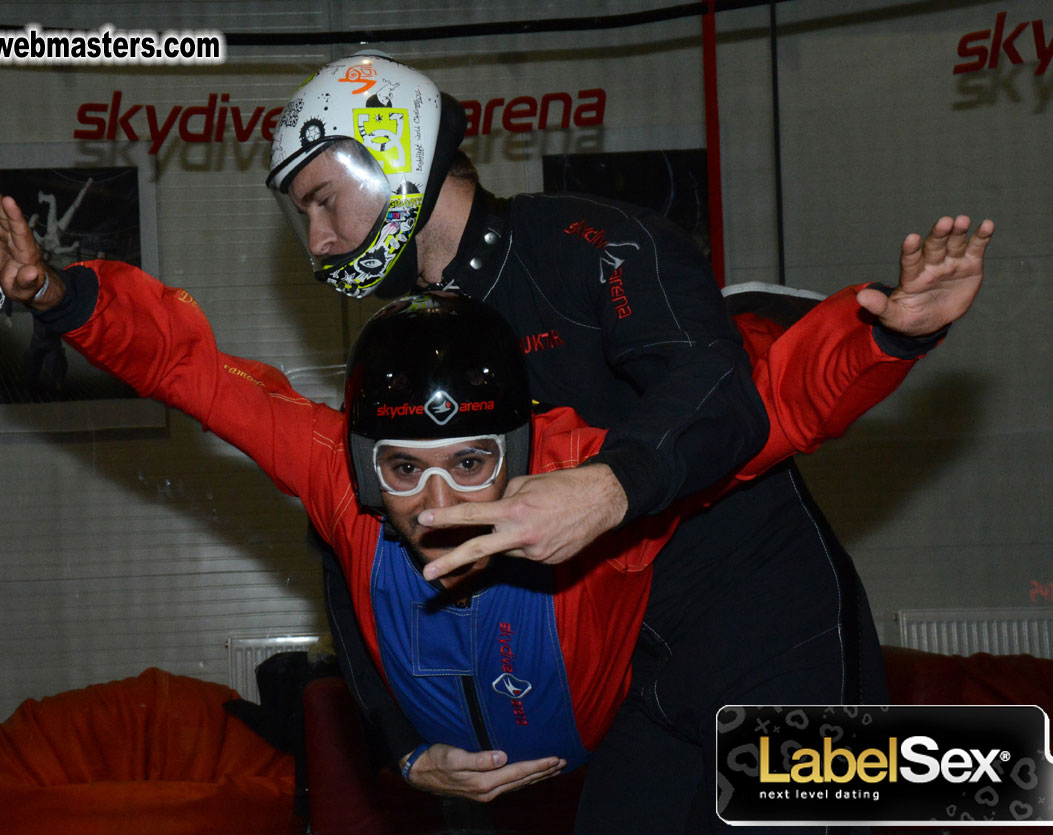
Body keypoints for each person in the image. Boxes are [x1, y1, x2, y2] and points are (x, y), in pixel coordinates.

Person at [0, 180, 987, 833]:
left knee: (879, 790)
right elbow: (191, 372)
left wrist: (890, 335)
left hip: (744, 657)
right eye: (403, 470)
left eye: (467, 463)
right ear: (361, 461)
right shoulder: (337, 479)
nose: (437, 502)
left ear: (522, 448)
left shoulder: (588, 481)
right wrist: (57, 295)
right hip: (601, 729)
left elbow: (772, 403)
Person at [263, 54, 994, 831]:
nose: (319, 239)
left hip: (768, 626)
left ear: (394, 153)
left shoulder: (593, 242)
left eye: (323, 200)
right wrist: (404, 746)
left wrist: (604, 488)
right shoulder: (410, 338)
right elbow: (348, 534)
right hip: (630, 670)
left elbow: (716, 389)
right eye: (302, 215)